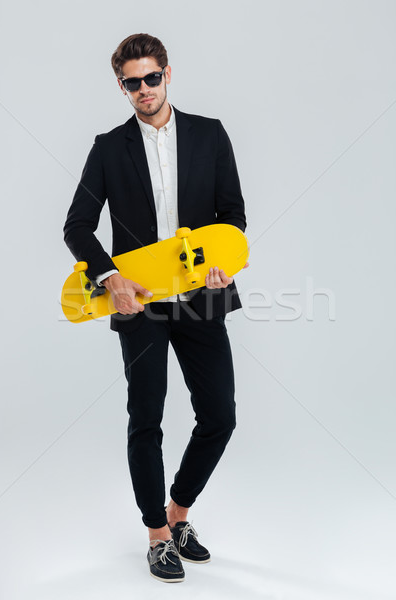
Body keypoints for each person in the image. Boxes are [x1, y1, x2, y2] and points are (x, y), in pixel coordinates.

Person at [63, 33, 248, 583]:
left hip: (200, 299)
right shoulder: (107, 147)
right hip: (138, 306)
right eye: (131, 82)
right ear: (121, 85)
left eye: (151, 78)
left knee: (220, 414)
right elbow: (76, 226)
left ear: (169, 74)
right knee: (147, 418)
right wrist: (110, 276)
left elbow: (233, 216)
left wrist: (222, 262)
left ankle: (179, 514)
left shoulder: (210, 135)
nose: (143, 89)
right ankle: (156, 536)